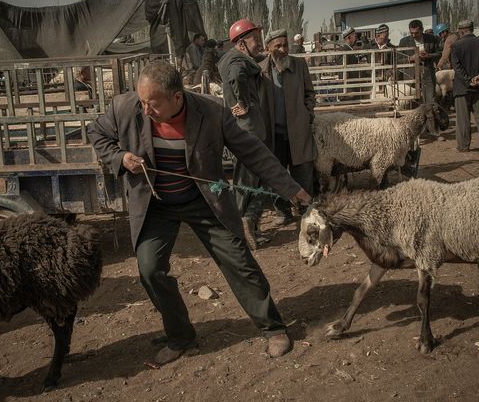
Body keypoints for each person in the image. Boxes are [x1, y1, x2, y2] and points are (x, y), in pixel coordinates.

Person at [87, 60, 311, 365]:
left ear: (177, 98)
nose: (144, 110)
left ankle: (272, 327)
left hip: (204, 201)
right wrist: (120, 156)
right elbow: (97, 134)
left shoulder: (213, 112)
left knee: (239, 261)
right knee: (150, 270)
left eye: (151, 103)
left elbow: (253, 151)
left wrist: (290, 187)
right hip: (155, 204)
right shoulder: (124, 108)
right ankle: (180, 335)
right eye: (141, 101)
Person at [217, 18, 267, 249]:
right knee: (245, 181)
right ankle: (237, 231)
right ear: (241, 42)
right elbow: (237, 76)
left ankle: (248, 229)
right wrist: (242, 103)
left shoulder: (233, 58)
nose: (258, 43)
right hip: (248, 130)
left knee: (252, 179)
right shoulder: (237, 61)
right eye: (254, 39)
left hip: (245, 129)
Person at [259, 29, 317, 225]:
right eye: (278, 46)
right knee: (276, 174)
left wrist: (307, 115)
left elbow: (310, 94)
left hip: (298, 131)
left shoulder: (299, 65)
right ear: (268, 48)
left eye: (285, 45)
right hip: (274, 134)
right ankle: (282, 212)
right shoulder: (260, 70)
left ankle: (306, 211)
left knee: (304, 172)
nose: (283, 49)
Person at [451, 20, 479, 154]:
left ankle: (464, 146)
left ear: (461, 31)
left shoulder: (456, 46)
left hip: (462, 88)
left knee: (463, 119)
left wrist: (468, 80)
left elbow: (457, 67)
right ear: (472, 29)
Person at [398, 19, 441, 104]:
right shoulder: (404, 41)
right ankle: (419, 115)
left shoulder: (432, 38)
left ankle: (430, 115)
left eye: (416, 33)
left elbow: (439, 53)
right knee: (413, 101)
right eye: (411, 33)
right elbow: (398, 59)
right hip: (411, 74)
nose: (413, 35)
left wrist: (429, 55)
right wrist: (410, 58)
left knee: (430, 97)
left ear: (422, 30)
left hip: (427, 70)